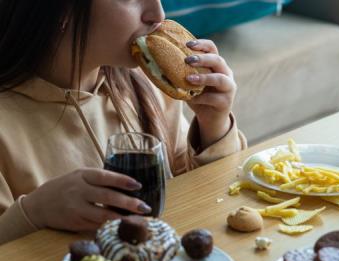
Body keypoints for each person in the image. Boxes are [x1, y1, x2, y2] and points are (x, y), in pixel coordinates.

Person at [0, 0, 246, 245]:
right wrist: (34, 213)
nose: (157, 14)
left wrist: (214, 126)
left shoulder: (149, 84)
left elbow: (205, 202)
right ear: (61, 10)